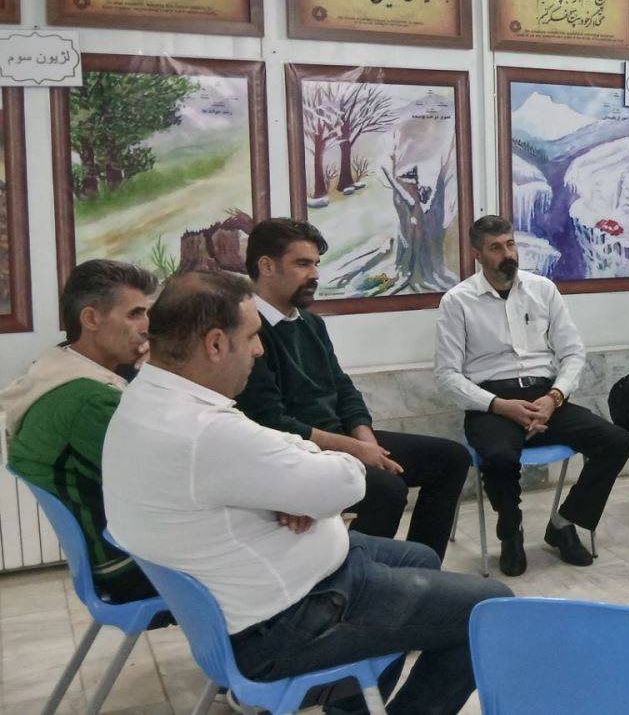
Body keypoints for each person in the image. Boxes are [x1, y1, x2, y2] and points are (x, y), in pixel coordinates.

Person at [103, 271, 512, 715]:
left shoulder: (147, 399)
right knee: (492, 609)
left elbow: (275, 447)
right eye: (252, 337)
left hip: (267, 589)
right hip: (288, 621)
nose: (259, 350)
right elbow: (348, 480)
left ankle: (354, 706)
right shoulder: (206, 432)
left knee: (420, 558)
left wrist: (298, 488)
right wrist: (310, 485)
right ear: (216, 344)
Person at [234, 218, 470, 562]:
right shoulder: (249, 333)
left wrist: (366, 440)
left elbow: (343, 388)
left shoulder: (310, 323)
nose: (314, 275)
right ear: (266, 266)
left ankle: (422, 568)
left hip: (340, 440)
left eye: (316, 264)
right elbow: (271, 422)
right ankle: (356, 576)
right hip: (296, 454)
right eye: (302, 264)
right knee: (388, 489)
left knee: (451, 458)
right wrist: (356, 450)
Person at [435, 215, 629, 575]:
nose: (507, 254)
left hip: (545, 397)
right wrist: (499, 405)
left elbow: (573, 353)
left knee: (615, 441)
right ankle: (511, 532)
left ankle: (564, 523)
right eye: (496, 248)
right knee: (499, 456)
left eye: (510, 244)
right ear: (477, 254)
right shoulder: (457, 301)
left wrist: (554, 397)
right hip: (491, 402)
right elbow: (447, 376)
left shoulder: (543, 290)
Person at [2, 260, 159, 603]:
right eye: (135, 314)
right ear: (90, 319)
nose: (147, 327)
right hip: (125, 566)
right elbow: (164, 479)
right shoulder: (89, 400)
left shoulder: (55, 368)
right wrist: (160, 380)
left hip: (109, 553)